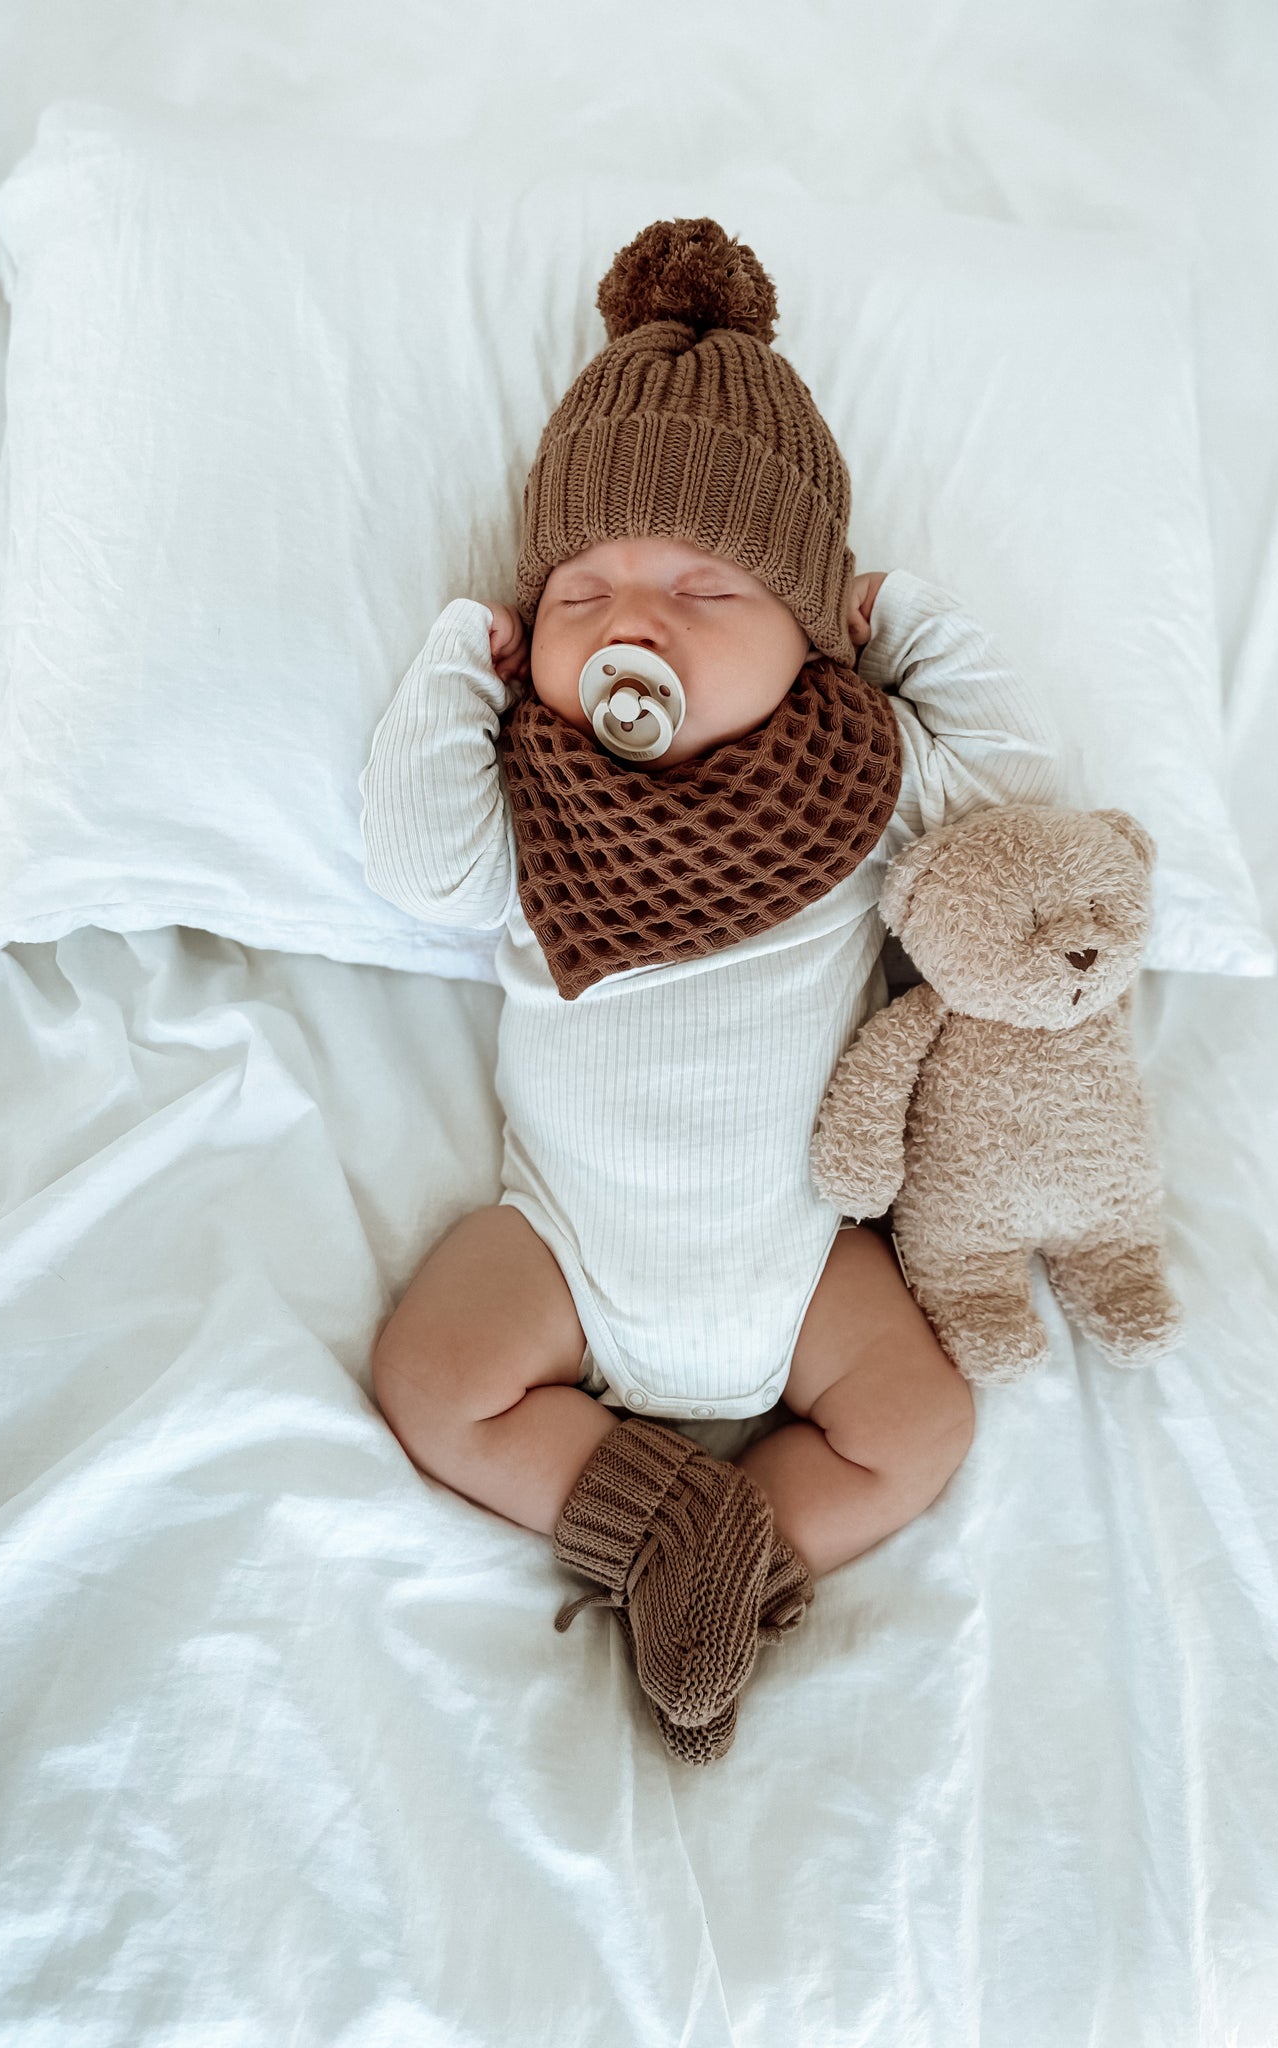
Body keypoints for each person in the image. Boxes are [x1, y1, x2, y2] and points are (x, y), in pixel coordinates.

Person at [359, 218, 1062, 1763]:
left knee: (922, 1424)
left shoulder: (858, 793)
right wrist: (453, 669)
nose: (634, 620)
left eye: (706, 588)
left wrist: (918, 633)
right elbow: (413, 867)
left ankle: (738, 1548)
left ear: (814, 637)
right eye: (580, 589)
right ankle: (673, 1537)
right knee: (430, 1375)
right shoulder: (530, 808)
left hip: (802, 1264)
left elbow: (1016, 816)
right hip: (565, 1249)